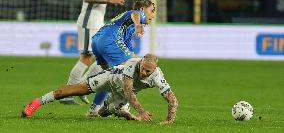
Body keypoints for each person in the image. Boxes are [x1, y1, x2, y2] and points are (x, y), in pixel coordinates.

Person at [22, 54, 178, 124]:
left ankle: (120, 111)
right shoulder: (132, 65)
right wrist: (142, 111)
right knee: (76, 90)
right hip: (110, 78)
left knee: (103, 113)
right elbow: (129, 91)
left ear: (155, 69)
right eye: (142, 68)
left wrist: (169, 120)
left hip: (122, 94)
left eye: (147, 71)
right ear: (140, 63)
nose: (143, 73)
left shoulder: (158, 76)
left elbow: (172, 99)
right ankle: (36, 102)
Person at [60, 0, 126, 104]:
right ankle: (69, 91)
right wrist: (109, 0)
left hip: (96, 22)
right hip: (89, 22)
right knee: (87, 58)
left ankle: (81, 87)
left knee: (100, 59)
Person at [87, 0, 155, 116]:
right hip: (110, 41)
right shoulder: (136, 14)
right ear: (143, 9)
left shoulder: (127, 26)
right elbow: (135, 14)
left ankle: (94, 109)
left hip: (97, 42)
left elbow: (129, 51)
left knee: (109, 77)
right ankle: (122, 107)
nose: (153, 15)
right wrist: (138, 24)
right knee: (132, 72)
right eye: (152, 11)